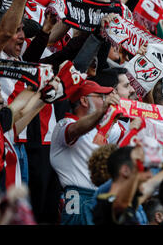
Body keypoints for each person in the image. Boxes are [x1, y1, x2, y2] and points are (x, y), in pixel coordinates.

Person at [50, 80, 124, 225]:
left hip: (99, 197)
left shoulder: (100, 129)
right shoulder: (63, 124)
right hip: (78, 197)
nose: (105, 101)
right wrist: (102, 111)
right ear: (84, 100)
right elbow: (75, 130)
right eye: (101, 97)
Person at [93, 145, 154, 225]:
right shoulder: (109, 204)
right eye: (144, 168)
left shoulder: (131, 204)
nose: (150, 175)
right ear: (125, 171)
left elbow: (153, 184)